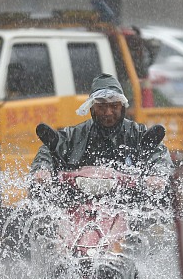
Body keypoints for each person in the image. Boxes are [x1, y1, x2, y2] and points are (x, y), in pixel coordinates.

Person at [29, 73, 172, 191]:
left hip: (129, 208)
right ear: (92, 109)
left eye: (114, 106)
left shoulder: (138, 133)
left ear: (122, 107)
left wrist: (157, 176)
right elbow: (49, 150)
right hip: (78, 206)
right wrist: (42, 169)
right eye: (102, 107)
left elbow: (159, 154)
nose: (108, 112)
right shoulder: (74, 135)